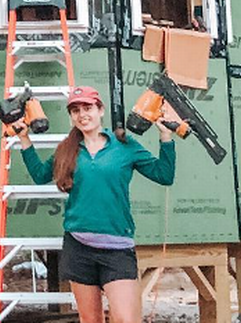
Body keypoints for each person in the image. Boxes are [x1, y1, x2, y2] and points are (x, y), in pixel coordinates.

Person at [11, 86, 176, 323]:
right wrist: (23, 137)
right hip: (79, 247)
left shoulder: (124, 145)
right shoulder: (66, 149)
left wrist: (165, 136)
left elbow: (164, 175)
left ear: (100, 110)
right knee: (91, 320)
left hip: (117, 248)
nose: (82, 114)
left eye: (88, 108)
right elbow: (39, 175)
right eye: (75, 110)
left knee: (126, 319)